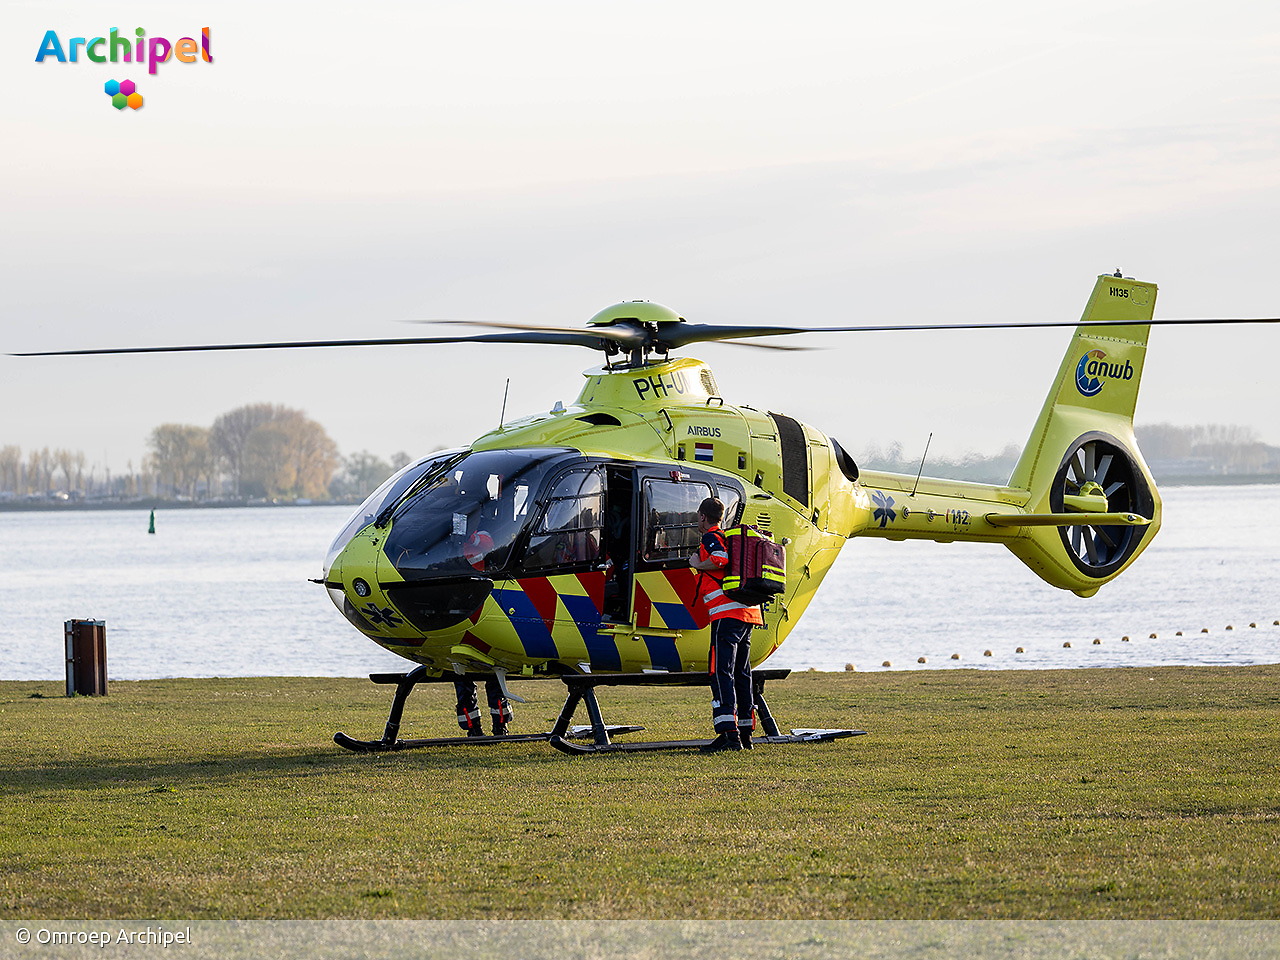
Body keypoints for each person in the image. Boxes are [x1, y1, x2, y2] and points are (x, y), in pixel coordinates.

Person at [688, 496, 763, 753]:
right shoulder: (731, 538)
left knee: (721, 672)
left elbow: (719, 559)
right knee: (742, 674)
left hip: (726, 614)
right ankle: (745, 734)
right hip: (748, 613)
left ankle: (729, 735)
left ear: (702, 516)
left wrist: (697, 564)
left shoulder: (711, 536)